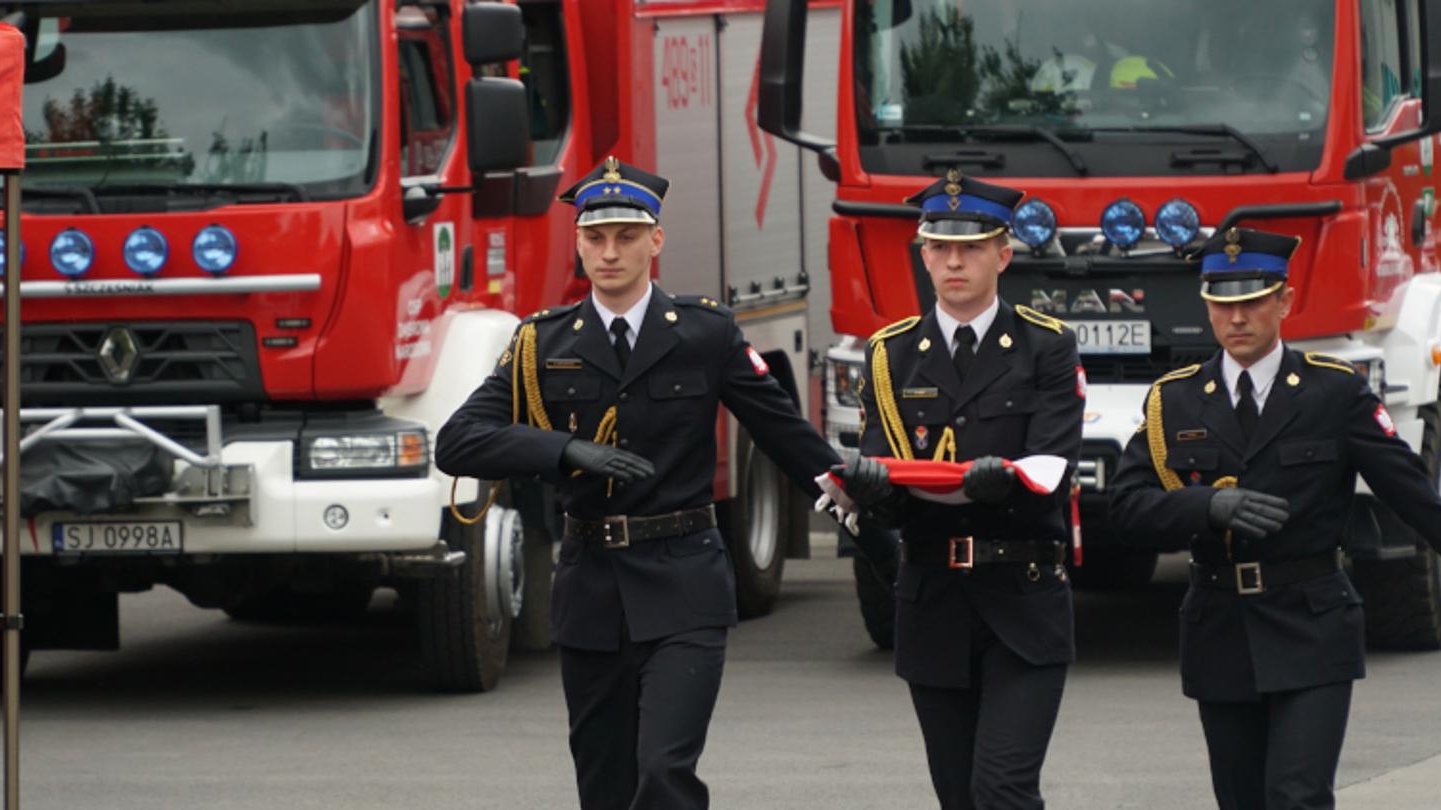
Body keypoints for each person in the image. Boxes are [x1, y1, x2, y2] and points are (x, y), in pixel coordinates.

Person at [434, 157, 841, 810]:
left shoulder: (705, 334)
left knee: (664, 771)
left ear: (656, 240)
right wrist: (564, 450)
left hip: (683, 582)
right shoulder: (543, 342)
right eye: (595, 238)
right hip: (592, 587)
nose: (610, 252)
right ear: (579, 243)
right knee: (605, 787)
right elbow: (458, 441)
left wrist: (861, 505)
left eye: (626, 236)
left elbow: (785, 433)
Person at [1106, 227, 1441, 810]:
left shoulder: (1333, 393)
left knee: (1298, 795)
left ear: (1284, 302)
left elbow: (1417, 497)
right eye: (1222, 303)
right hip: (1221, 629)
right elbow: (1126, 508)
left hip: (1311, 624)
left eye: (1252, 301)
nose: (1236, 318)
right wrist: (1206, 507)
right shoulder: (1176, 399)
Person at [836, 170, 1084, 809]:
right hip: (934, 600)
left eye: (972, 247)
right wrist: (867, 488)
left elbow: (1052, 471)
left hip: (1022, 597)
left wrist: (1002, 485)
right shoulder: (891, 353)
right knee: (958, 796)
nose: (954, 261)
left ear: (1004, 253)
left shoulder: (1046, 346)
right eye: (940, 247)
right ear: (923, 254)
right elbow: (885, 479)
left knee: (1001, 788)